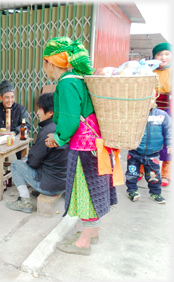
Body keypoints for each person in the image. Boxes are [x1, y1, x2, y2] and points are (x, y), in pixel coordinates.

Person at [43, 37, 117, 256]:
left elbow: (70, 119)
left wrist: (56, 138)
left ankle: (84, 242)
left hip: (85, 148)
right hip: (95, 145)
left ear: (50, 62)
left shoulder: (67, 82)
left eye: (44, 61)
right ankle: (92, 234)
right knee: (94, 188)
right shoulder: (79, 78)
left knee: (86, 192)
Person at [6, 92, 69, 213]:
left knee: (16, 165)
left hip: (51, 186)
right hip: (63, 183)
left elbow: (33, 161)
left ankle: (24, 201)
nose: (37, 112)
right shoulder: (62, 126)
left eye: (40, 109)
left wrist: (27, 160)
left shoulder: (47, 131)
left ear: (51, 113)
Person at [125, 95, 171, 204]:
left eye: (151, 99)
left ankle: (155, 193)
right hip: (134, 152)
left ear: (155, 99)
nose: (148, 101)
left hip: (152, 154)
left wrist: (170, 144)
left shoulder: (162, 115)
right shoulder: (133, 115)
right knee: (132, 174)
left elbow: (169, 130)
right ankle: (132, 191)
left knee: (154, 175)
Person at [0, 80, 30, 175]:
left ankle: (23, 169)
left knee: (22, 155)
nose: (10, 100)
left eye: (12, 97)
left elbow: (27, 125)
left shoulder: (20, 109)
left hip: (15, 138)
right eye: (7, 97)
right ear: (1, 98)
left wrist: (15, 132)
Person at [152, 42, 172, 187]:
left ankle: (165, 173)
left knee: (168, 140)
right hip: (151, 106)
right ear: (155, 56)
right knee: (149, 137)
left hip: (169, 109)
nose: (163, 57)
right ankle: (143, 170)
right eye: (160, 54)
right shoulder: (149, 70)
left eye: (167, 54)